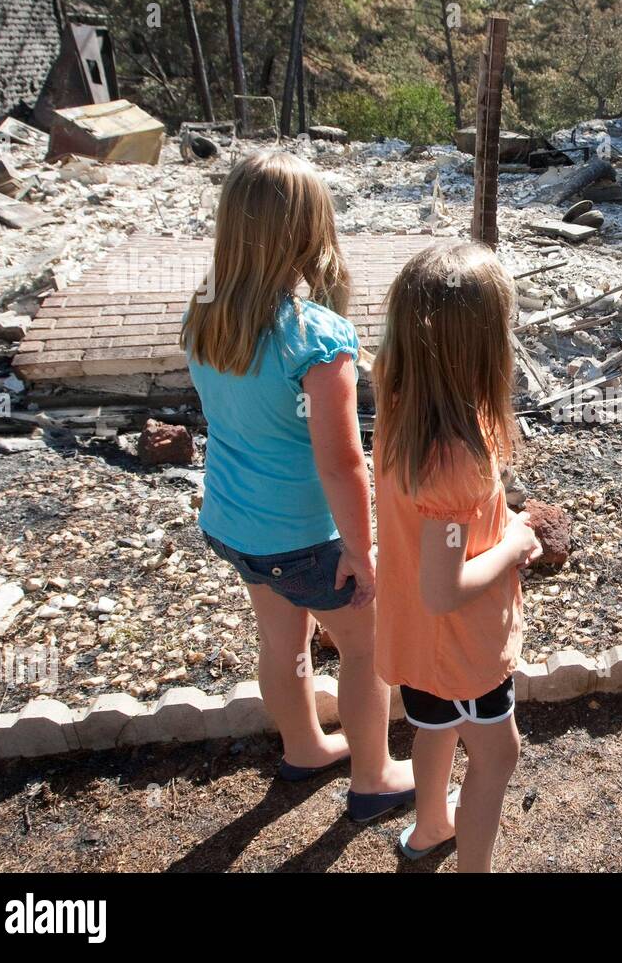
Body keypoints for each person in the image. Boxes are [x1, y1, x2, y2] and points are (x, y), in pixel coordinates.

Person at [182, 150, 413, 821]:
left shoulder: (205, 312)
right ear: (310, 231)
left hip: (233, 521)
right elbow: (344, 463)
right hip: (305, 537)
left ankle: (306, 745)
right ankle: (373, 777)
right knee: (364, 648)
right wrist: (362, 552)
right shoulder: (320, 339)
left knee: (280, 643)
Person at [372, 242, 541, 871]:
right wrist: (516, 543)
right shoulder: (454, 462)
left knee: (434, 731)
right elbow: (444, 589)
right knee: (498, 756)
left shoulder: (398, 402)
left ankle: (430, 827)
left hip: (418, 644)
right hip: (460, 648)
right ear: (482, 350)